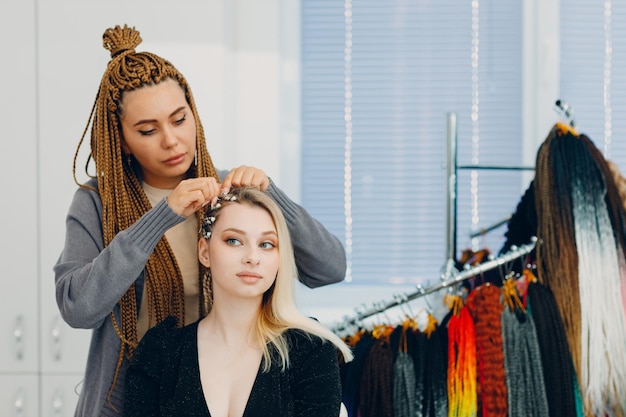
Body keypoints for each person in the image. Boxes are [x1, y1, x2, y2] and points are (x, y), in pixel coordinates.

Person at [53, 24, 347, 417]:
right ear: (120, 139)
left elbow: (330, 268)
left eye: (179, 119)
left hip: (215, 394)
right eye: (147, 130)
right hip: (123, 404)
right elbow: (78, 307)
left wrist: (273, 195)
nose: (171, 141)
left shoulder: (226, 195)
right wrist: (161, 218)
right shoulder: (97, 203)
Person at [124, 186, 353, 417]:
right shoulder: (160, 351)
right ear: (205, 252)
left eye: (266, 244)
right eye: (234, 240)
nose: (252, 258)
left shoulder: (310, 348)